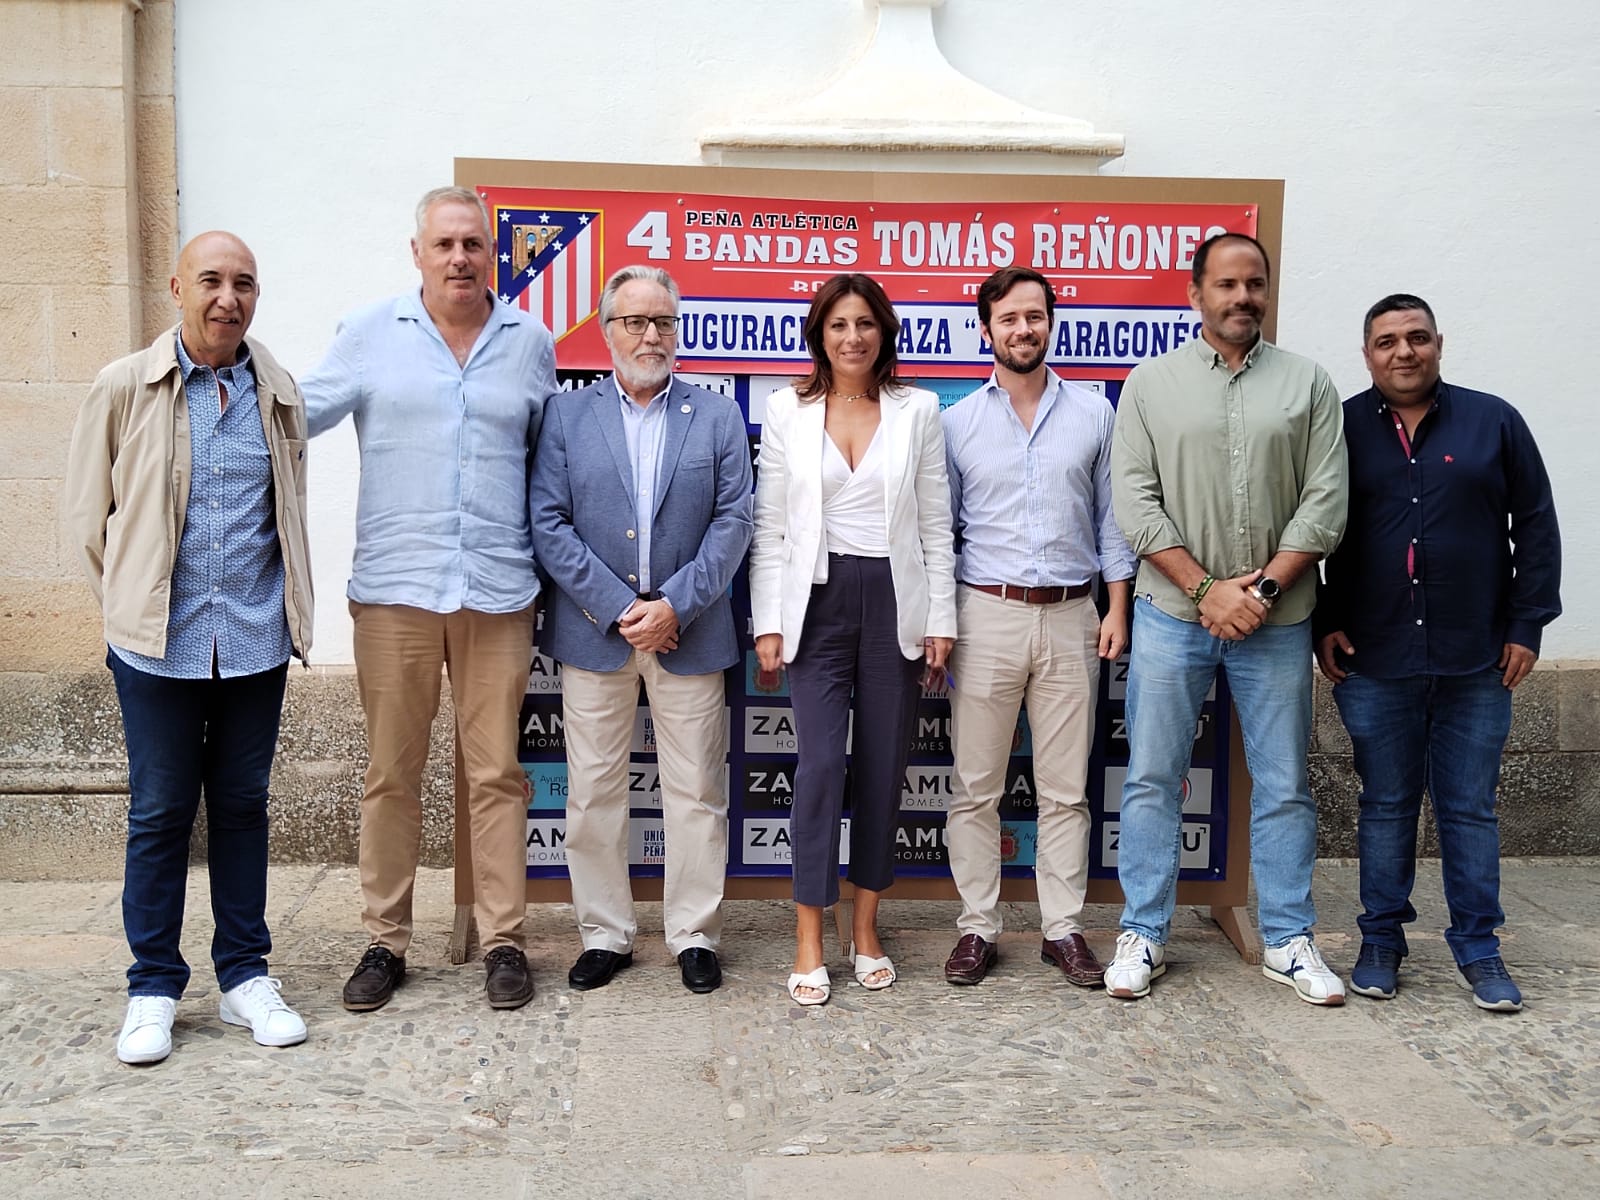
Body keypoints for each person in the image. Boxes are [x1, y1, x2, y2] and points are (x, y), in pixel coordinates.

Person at [303, 187, 556, 1012]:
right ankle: (384, 941)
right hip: (395, 593)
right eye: (444, 244)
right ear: (416, 251)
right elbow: (294, 415)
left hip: (498, 590)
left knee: (497, 777)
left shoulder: (529, 343)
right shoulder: (371, 334)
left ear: (494, 254)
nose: (459, 258)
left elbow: (549, 462)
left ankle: (504, 942)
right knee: (391, 776)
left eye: (474, 245)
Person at [63, 231, 313, 1063]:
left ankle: (245, 977)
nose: (227, 298)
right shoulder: (123, 386)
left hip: (253, 639)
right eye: (211, 280)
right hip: (155, 650)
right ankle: (153, 988)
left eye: (244, 283)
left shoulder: (276, 391)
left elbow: (287, 516)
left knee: (243, 807)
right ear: (177, 287)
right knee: (161, 812)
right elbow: (84, 520)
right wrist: (131, 608)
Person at [1109, 232, 1349, 1004]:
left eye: (1255, 284)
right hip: (1172, 617)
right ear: (1196, 293)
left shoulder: (1308, 385)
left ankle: (1288, 939)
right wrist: (1208, 588)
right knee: (1152, 777)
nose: (1242, 297)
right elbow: (1135, 503)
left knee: (1283, 784)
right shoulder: (1150, 384)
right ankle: (1143, 932)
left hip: (1276, 625)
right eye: (1226, 285)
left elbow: (1325, 502)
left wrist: (1261, 595)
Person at [1315, 294, 1561, 1013]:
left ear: (1439, 343)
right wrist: (1323, 620)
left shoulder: (1495, 422)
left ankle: (1480, 949)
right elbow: (1317, 529)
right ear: (1367, 354)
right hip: (1375, 652)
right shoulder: (1341, 427)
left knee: (1469, 808)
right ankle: (1380, 942)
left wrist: (1527, 626)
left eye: (1416, 338)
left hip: (1477, 656)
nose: (1404, 352)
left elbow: (1537, 525)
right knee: (1386, 805)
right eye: (1386, 341)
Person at [528, 265, 752, 995]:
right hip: (597, 635)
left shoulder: (715, 416)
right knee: (593, 791)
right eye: (635, 321)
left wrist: (674, 607)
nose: (650, 335)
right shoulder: (567, 416)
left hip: (690, 632)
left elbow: (734, 522)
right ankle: (605, 932)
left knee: (695, 791)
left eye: (663, 321)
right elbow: (549, 523)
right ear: (607, 330)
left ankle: (694, 933)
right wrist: (620, 608)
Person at [749, 273, 957, 1006]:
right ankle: (810, 932)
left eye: (865, 323)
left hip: (896, 599)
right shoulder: (787, 410)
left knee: (880, 768)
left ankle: (865, 926)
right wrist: (768, 622)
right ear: (819, 334)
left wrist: (942, 620)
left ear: (884, 332)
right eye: (838, 324)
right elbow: (770, 526)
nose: (852, 337)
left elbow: (936, 525)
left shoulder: (918, 410)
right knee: (817, 771)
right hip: (815, 602)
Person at [939, 267, 1136, 988]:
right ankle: (976, 928)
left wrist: (1116, 608)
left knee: (1065, 790)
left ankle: (1063, 928)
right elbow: (943, 535)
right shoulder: (955, 422)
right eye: (1009, 318)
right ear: (984, 329)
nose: (1024, 329)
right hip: (983, 613)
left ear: (1051, 324)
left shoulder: (1095, 414)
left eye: (1035, 316)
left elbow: (1114, 523)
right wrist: (942, 624)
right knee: (975, 787)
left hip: (1072, 616)